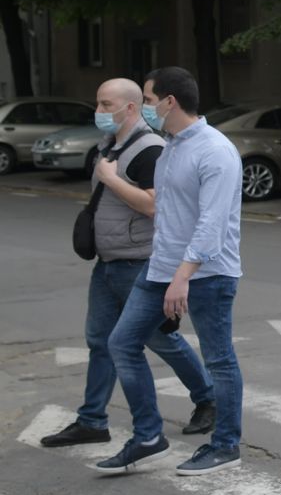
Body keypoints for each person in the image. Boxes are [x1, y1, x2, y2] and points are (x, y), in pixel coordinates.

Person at [39, 78, 216, 451]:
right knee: (101, 342)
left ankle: (207, 397)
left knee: (158, 338)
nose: (98, 111)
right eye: (99, 103)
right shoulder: (111, 144)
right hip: (108, 263)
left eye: (105, 104)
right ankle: (92, 420)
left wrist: (109, 179)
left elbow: (154, 204)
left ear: (131, 108)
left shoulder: (149, 148)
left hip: (140, 263)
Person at [98, 67, 245, 476]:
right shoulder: (172, 144)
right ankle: (148, 437)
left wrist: (183, 275)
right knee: (122, 343)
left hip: (208, 274)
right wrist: (165, 267)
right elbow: (167, 210)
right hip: (159, 267)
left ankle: (226, 444)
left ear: (169, 102)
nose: (145, 107)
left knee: (220, 361)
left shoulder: (215, 151)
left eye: (147, 99)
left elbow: (212, 222)